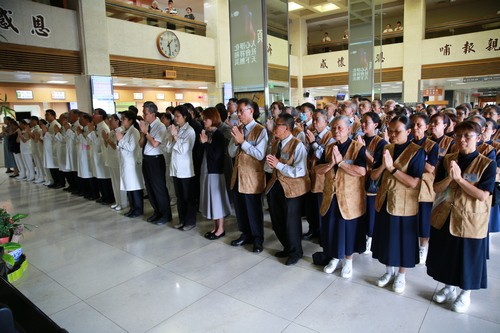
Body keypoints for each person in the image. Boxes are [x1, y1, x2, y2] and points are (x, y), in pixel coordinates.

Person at [427, 120, 496, 313]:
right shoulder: (448, 159)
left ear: (479, 138)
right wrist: (450, 177)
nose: (462, 140)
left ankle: (465, 293)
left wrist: (459, 179)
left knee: (467, 258)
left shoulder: (487, 163)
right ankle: (449, 287)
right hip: (446, 214)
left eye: (467, 136)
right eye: (458, 136)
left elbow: (483, 195)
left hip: (471, 218)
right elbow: (436, 188)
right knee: (448, 254)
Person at [371, 115, 425, 293]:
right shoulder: (386, 147)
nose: (393, 134)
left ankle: (401, 275)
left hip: (404, 204)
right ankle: (388, 271)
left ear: (408, 132)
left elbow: (413, 182)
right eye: (390, 131)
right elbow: (373, 176)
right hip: (385, 200)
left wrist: (392, 169)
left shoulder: (417, 151)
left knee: (403, 241)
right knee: (387, 238)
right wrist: (383, 166)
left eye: (398, 131)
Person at [319, 115, 367, 277]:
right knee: (332, 228)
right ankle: (334, 257)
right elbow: (316, 170)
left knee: (348, 230)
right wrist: (330, 164)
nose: (336, 130)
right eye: (333, 127)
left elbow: (361, 171)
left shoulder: (358, 148)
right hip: (330, 195)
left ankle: (348, 261)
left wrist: (340, 163)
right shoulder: (328, 147)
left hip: (349, 198)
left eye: (340, 127)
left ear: (349, 129)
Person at [265, 113, 310, 265]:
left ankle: (296, 251)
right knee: (277, 220)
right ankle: (287, 246)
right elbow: (270, 164)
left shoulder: (298, 145)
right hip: (275, 185)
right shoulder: (275, 143)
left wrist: (278, 164)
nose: (274, 127)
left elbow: (300, 171)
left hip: (292, 189)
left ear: (287, 128)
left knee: (291, 222)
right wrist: (271, 165)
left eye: (277, 125)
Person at [229, 98, 268, 253]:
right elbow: (230, 152)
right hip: (238, 175)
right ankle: (246, 234)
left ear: (251, 111)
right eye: (237, 111)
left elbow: (259, 155)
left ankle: (258, 239)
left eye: (241, 111)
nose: (238, 114)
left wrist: (243, 142)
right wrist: (236, 141)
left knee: (253, 209)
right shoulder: (238, 128)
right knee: (240, 208)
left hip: (252, 177)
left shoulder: (260, 130)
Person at [410, 113, 439, 264]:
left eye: (419, 125)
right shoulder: (407, 142)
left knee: (424, 220)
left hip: (425, 188)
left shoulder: (432, 145)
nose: (415, 128)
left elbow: (430, 167)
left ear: (426, 127)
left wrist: (413, 160)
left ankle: (423, 246)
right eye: (413, 124)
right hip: (408, 186)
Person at [199, 107, 231, 239]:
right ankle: (216, 226)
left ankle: (221, 228)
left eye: (205, 119)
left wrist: (205, 143)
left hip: (215, 172)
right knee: (211, 200)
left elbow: (216, 155)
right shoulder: (208, 132)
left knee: (217, 200)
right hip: (208, 170)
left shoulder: (218, 134)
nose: (204, 121)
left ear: (212, 119)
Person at [357, 112, 387, 253]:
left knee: (370, 213)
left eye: (366, 122)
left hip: (372, 183)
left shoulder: (381, 142)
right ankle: (361, 236)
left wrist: (363, 150)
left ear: (375, 125)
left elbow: (377, 164)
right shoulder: (358, 139)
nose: (363, 124)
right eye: (362, 121)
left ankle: (371, 238)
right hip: (357, 182)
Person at [139, 101, 172, 225]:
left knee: (159, 188)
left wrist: (146, 132)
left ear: (153, 114)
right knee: (150, 188)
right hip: (147, 159)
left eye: (145, 113)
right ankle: (157, 211)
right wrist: (143, 133)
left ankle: (165, 214)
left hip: (156, 160)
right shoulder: (146, 125)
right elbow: (141, 144)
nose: (143, 115)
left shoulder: (160, 126)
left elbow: (154, 143)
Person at [303, 109, 333, 241]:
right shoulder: (312, 134)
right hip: (309, 176)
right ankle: (312, 229)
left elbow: (326, 156)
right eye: (313, 119)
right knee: (310, 207)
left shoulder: (330, 137)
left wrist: (313, 143)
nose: (314, 122)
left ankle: (322, 233)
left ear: (326, 122)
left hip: (322, 178)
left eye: (317, 120)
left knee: (320, 207)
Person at [167, 105, 197, 231]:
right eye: (175, 116)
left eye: (178, 116)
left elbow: (183, 150)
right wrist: (171, 136)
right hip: (175, 169)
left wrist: (175, 137)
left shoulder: (190, 131)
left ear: (185, 116)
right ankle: (182, 220)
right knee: (180, 197)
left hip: (185, 170)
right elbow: (168, 148)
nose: (176, 119)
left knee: (187, 197)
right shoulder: (177, 129)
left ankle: (190, 221)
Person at [116, 111, 144, 218]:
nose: (121, 120)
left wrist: (121, 140)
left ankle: (138, 209)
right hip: (125, 163)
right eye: (121, 118)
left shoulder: (134, 132)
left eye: (124, 118)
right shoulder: (125, 131)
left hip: (131, 164)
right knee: (129, 187)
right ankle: (132, 208)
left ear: (130, 120)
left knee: (134, 187)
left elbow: (131, 147)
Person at [87, 109, 114, 205]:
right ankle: (103, 196)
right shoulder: (97, 126)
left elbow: (100, 143)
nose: (93, 115)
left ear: (101, 116)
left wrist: (91, 132)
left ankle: (108, 197)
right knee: (99, 177)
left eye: (95, 114)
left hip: (102, 157)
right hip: (96, 156)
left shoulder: (103, 127)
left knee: (104, 178)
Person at [102, 113, 128, 211]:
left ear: (117, 121)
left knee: (119, 182)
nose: (109, 121)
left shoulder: (120, 131)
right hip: (111, 160)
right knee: (114, 182)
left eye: (112, 119)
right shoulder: (112, 131)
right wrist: (106, 138)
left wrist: (106, 139)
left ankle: (123, 203)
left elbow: (115, 147)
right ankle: (118, 202)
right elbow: (107, 145)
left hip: (117, 160)